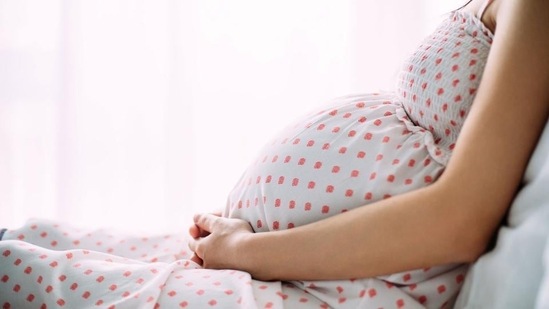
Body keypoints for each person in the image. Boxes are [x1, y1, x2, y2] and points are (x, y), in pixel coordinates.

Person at [1, 0, 548, 308]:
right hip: (301, 269)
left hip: (354, 289)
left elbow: (458, 219)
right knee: (27, 245)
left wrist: (244, 252)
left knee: (14, 273)